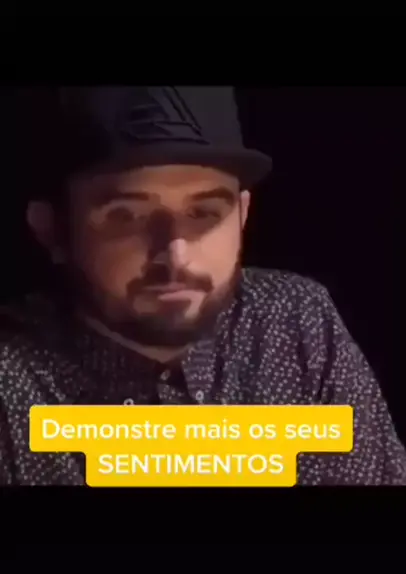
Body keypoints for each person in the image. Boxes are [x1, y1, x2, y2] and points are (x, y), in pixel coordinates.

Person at [0, 86, 405, 486]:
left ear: (242, 215)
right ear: (52, 230)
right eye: (127, 216)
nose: (176, 255)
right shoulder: (12, 380)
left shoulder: (294, 320)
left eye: (204, 212)